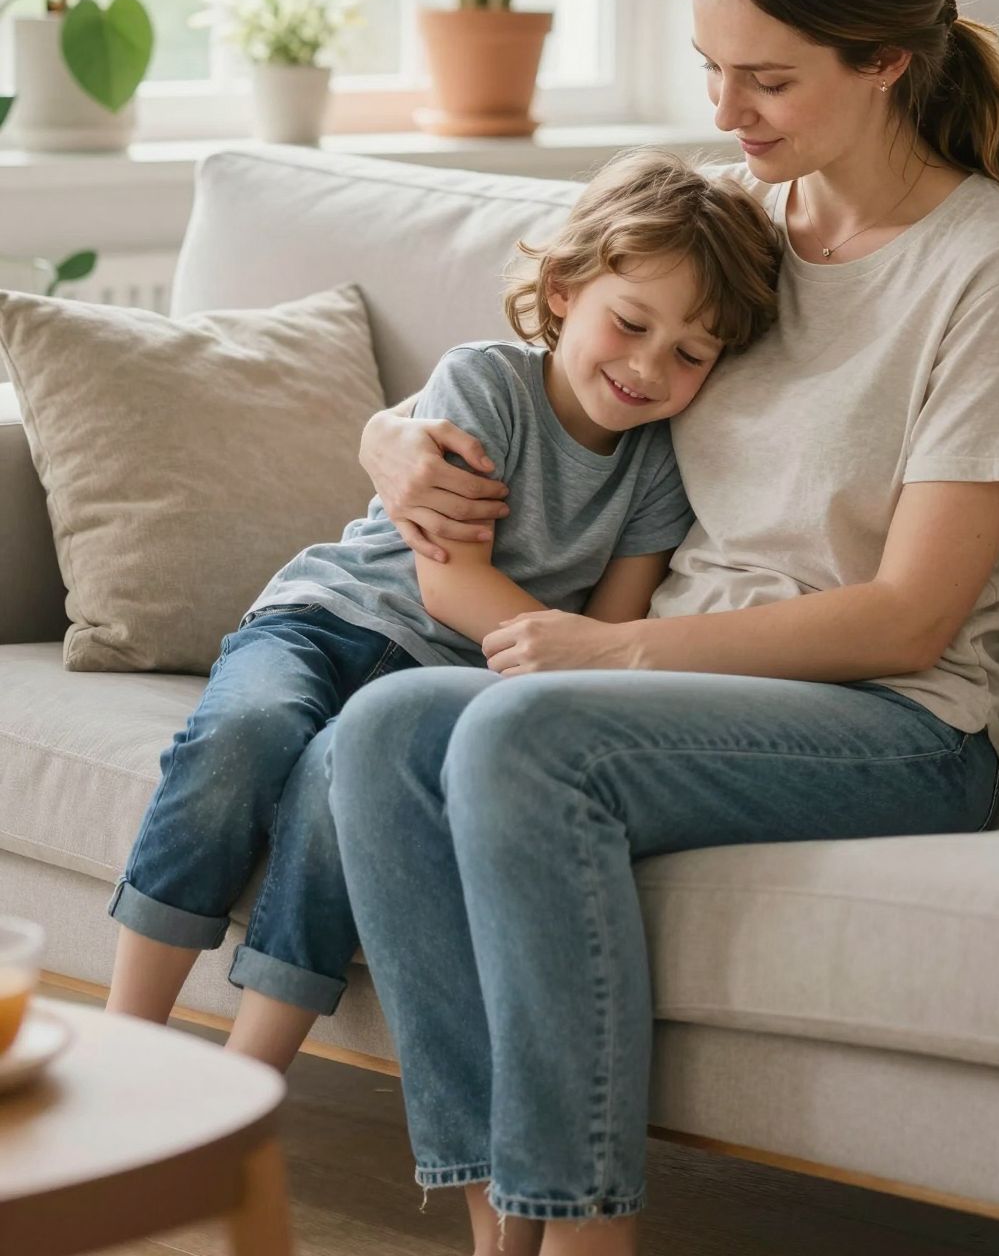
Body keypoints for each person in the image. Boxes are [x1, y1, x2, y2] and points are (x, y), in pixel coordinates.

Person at [322, 0, 999, 1256]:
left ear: (887, 60)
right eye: (713, 71)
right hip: (679, 693)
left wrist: (611, 660)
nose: (728, 110)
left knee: (521, 729)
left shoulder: (993, 269)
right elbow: (527, 369)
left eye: (770, 77)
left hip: (898, 721)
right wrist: (390, 438)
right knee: (390, 726)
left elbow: (915, 613)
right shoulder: (734, 230)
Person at [105, 152, 780, 1071]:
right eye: (630, 323)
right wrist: (562, 644)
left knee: (336, 800)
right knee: (242, 738)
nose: (647, 366)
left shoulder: (660, 469)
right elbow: (449, 583)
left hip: (434, 689)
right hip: (329, 621)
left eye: (690, 354)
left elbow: (611, 628)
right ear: (563, 290)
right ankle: (122, 1044)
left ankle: (245, 1088)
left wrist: (592, 657)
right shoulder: (486, 383)